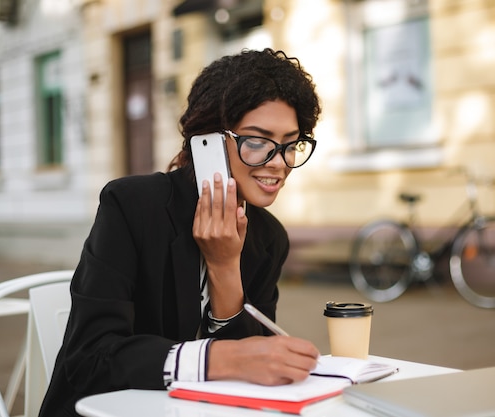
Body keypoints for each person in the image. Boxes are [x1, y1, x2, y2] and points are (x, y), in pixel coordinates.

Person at [38, 48, 322, 417]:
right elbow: (90, 359)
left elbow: (253, 376)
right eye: (257, 141)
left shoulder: (268, 239)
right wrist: (222, 357)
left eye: (290, 144)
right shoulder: (133, 206)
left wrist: (224, 267)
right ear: (209, 141)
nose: (280, 162)